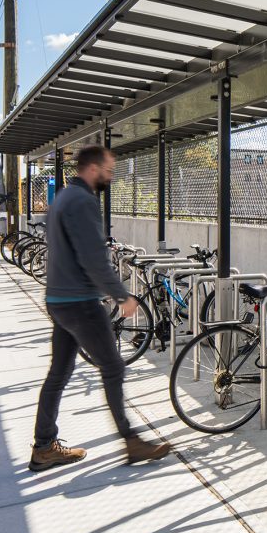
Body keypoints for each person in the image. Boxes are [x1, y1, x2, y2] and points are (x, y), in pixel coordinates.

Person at [29, 145, 170, 472]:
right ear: (93, 168)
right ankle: (132, 443)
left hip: (59, 300)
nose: (111, 174)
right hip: (79, 303)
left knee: (59, 374)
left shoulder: (62, 198)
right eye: (109, 168)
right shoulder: (83, 202)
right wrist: (122, 295)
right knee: (113, 368)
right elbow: (93, 258)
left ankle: (43, 446)